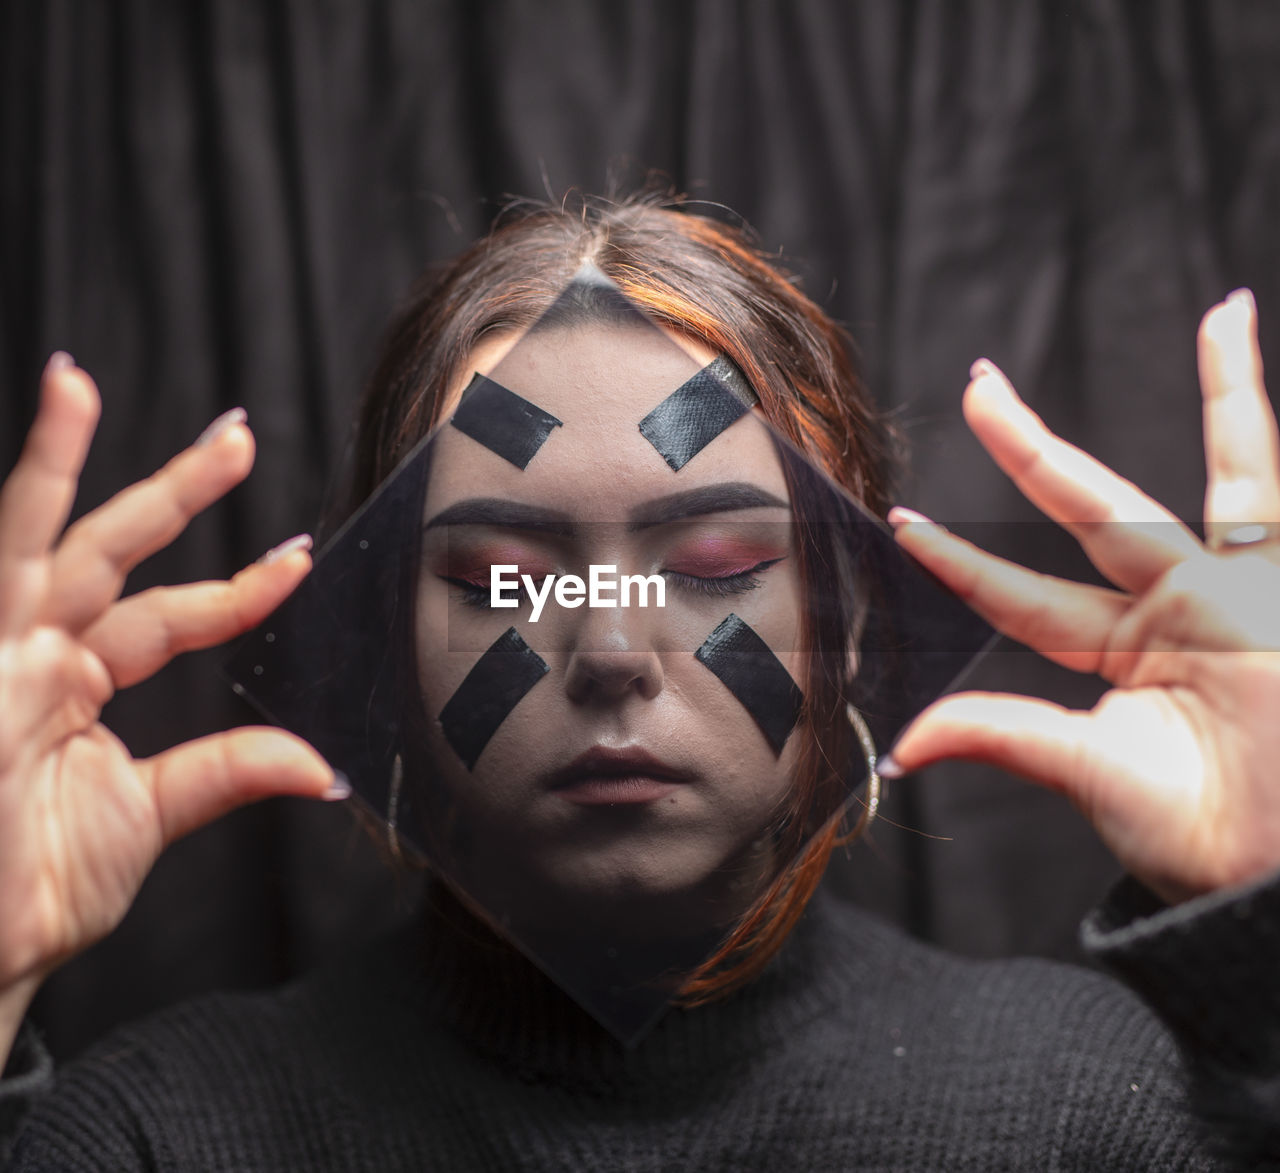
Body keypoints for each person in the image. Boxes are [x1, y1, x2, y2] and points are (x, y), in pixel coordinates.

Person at [1, 193, 1278, 1169]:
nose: (610, 654)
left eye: (718, 562)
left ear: (842, 620)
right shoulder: (160, 1139)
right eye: (502, 578)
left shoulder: (1096, 1112)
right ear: (387, 637)